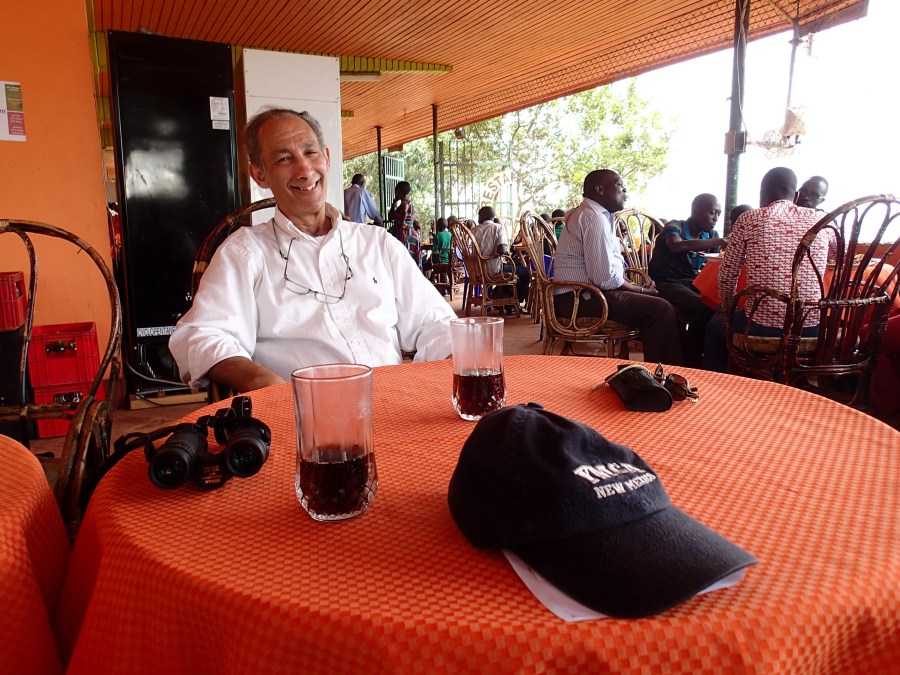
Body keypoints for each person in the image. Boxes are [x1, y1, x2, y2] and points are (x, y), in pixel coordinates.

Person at [169, 108, 455, 393]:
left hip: (392, 403)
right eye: (284, 159)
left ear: (326, 158)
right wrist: (262, 382)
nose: (305, 171)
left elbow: (437, 323)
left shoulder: (377, 244)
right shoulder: (245, 253)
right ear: (259, 175)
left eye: (310, 153)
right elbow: (202, 335)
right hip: (302, 413)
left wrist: (458, 356)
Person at [703, 167, 828, 372]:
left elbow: (727, 276)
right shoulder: (822, 222)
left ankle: (717, 384)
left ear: (762, 195)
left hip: (760, 327)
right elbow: (838, 254)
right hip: (812, 328)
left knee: (714, 326)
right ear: (796, 196)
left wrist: (727, 308)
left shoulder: (749, 219)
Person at [553, 169, 684, 365]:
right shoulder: (593, 218)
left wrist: (636, 289)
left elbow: (607, 273)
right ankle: (664, 374)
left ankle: (679, 367)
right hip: (578, 300)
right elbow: (604, 278)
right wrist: (640, 290)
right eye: (620, 185)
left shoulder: (595, 215)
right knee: (660, 309)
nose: (625, 190)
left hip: (586, 295)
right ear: (600, 190)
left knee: (670, 306)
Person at [648, 193, 728, 367]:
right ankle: (692, 359)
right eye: (712, 212)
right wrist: (720, 241)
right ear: (696, 210)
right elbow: (676, 246)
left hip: (692, 283)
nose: (716, 218)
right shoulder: (675, 226)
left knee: (719, 304)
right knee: (703, 305)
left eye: (719, 214)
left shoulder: (710, 235)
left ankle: (697, 352)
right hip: (666, 281)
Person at [473, 206, 529, 316]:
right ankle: (514, 303)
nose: (478, 218)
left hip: (476, 271)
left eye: (479, 215)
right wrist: (505, 252)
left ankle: (505, 302)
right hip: (492, 270)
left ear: (484, 216)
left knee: (510, 269)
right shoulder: (498, 228)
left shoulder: (473, 230)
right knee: (524, 272)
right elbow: (502, 249)